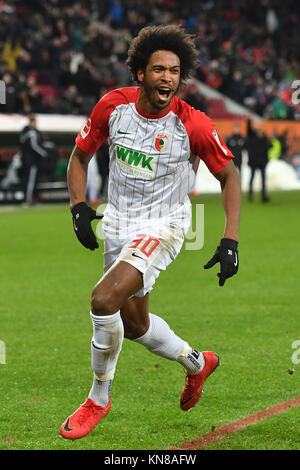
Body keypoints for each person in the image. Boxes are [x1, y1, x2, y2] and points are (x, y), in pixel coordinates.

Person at [60, 25, 241, 440]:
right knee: (135, 323)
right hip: (119, 222)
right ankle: (197, 363)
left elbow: (229, 176)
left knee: (103, 298)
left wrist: (230, 239)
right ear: (139, 73)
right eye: (158, 70)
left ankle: (97, 399)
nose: (167, 79)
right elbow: (79, 157)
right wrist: (77, 208)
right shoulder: (112, 107)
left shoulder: (192, 124)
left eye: (174, 71)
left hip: (166, 224)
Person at [19, 115, 48, 205]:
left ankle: (31, 197)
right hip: (32, 161)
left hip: (26, 160)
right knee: (31, 181)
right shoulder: (32, 132)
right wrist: (44, 154)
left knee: (29, 180)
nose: (36, 124)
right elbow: (34, 146)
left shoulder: (25, 132)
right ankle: (28, 199)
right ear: (31, 122)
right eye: (35, 122)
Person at [246, 119, 271, 202]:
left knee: (263, 179)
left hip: (262, 161)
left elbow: (268, 146)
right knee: (252, 178)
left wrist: (266, 159)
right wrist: (249, 120)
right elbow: (248, 130)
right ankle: (250, 196)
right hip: (254, 161)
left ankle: (263, 196)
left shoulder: (264, 136)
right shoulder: (252, 135)